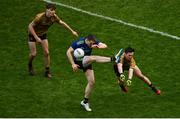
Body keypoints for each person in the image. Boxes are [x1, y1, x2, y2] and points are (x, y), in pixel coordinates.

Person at [66, 34, 121, 111]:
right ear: (87, 40)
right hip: (78, 63)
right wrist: (72, 64)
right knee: (93, 58)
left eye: (93, 43)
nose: (92, 44)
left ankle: (85, 102)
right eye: (91, 43)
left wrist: (99, 46)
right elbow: (68, 52)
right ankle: (114, 59)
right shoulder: (79, 43)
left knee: (92, 82)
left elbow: (104, 45)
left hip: (86, 61)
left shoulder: (93, 42)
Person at [28, 3, 78, 78]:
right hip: (33, 34)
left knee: (47, 53)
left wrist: (72, 31)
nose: (53, 12)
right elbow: (30, 26)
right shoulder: (39, 17)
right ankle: (30, 64)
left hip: (43, 35)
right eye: (51, 10)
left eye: (54, 10)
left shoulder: (53, 17)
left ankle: (47, 71)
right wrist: (36, 37)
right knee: (33, 54)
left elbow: (62, 23)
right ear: (46, 10)